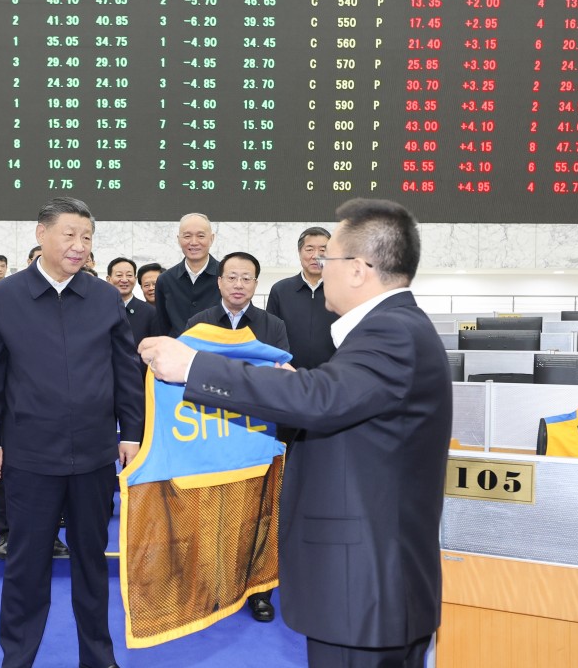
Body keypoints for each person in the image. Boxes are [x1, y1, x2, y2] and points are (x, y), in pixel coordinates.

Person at [140, 198, 451, 668]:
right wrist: (280, 388)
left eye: (329, 258)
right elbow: (335, 407)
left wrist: (194, 367)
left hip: (363, 589)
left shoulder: (393, 332)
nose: (320, 268)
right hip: (365, 586)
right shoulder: (389, 329)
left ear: (359, 269)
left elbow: (321, 399)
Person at [0, 196, 145, 668]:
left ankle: (98, 656)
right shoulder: (4, 297)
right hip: (30, 457)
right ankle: (18, 656)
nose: (79, 245)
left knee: (92, 562)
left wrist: (131, 431)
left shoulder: (105, 297)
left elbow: (126, 372)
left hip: (92, 456)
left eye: (87, 237)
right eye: (69, 234)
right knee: (26, 566)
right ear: (41, 234)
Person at [184, 251, 289, 623]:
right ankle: (216, 588)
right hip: (212, 435)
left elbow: (279, 378)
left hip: (258, 435)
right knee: (214, 515)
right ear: (219, 282)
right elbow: (188, 373)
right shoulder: (199, 322)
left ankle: (260, 593)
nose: (238, 284)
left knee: (261, 517)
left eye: (246, 278)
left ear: (256, 284)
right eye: (232, 277)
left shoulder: (272, 325)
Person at [0, 242, 68, 560]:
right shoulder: (9, 298)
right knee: (6, 478)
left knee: (57, 482)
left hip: (58, 414)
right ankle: (6, 533)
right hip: (18, 411)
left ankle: (52, 535)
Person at [265, 227, 339, 370]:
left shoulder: (342, 290)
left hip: (333, 377)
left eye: (323, 250)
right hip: (288, 375)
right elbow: (271, 335)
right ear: (299, 253)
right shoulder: (280, 290)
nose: (316, 256)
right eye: (309, 249)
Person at [154, 213, 220, 337]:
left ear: (211, 239)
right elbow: (162, 325)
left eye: (200, 236)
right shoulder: (165, 280)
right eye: (187, 236)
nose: (194, 242)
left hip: (216, 353)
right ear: (179, 239)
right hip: (176, 352)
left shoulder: (226, 276)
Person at [107, 256, 157, 347]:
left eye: (129, 275)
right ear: (108, 279)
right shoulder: (99, 309)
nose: (125, 280)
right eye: (119, 275)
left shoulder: (150, 312)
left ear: (135, 279)